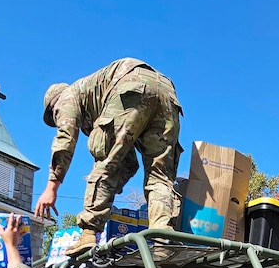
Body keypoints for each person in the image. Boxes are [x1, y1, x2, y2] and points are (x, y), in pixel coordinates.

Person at [36, 58, 183, 255]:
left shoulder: (66, 97)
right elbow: (128, 162)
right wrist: (108, 190)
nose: (58, 119)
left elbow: (66, 140)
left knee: (105, 160)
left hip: (131, 86)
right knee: (160, 176)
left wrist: (51, 188)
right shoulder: (92, 96)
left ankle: (88, 233)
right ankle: (163, 239)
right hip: (166, 91)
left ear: (54, 107)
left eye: (55, 117)